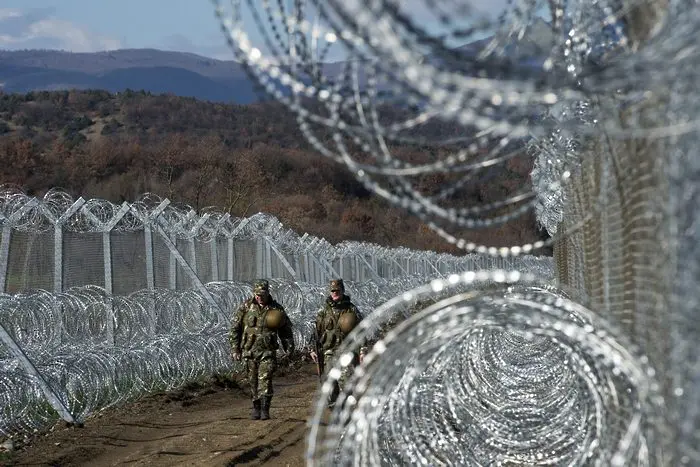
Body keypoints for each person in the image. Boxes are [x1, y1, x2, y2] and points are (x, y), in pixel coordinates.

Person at [230, 279, 295, 420]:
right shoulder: (246, 307)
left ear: (267, 293)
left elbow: (286, 331)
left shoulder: (276, 309)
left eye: (262, 294)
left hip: (267, 351)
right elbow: (235, 329)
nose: (259, 297)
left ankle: (265, 409)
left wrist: (289, 348)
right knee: (252, 381)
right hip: (249, 351)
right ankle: (256, 407)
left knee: (265, 379)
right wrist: (235, 348)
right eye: (257, 294)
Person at [310, 278, 367, 408]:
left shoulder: (351, 309)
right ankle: (334, 409)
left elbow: (361, 330)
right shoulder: (324, 311)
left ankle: (346, 410)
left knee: (347, 383)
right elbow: (316, 331)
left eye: (337, 290)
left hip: (347, 352)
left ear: (342, 291)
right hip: (328, 352)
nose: (335, 293)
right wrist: (311, 349)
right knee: (330, 384)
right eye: (332, 291)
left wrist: (362, 350)